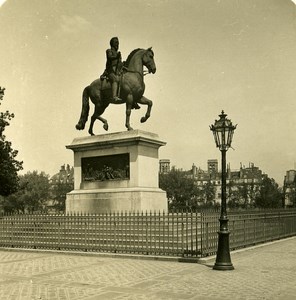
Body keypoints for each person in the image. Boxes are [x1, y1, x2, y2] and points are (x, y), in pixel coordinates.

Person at [104, 37, 122, 102]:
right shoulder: (109, 51)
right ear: (112, 44)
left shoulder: (118, 53)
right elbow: (110, 57)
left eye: (118, 43)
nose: (117, 44)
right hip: (110, 71)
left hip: (118, 71)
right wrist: (116, 57)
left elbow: (120, 63)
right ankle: (114, 96)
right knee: (115, 79)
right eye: (116, 43)